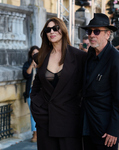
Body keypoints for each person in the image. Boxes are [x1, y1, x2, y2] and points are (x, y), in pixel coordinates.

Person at [30, 17, 87, 150]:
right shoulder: (41, 57)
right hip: (46, 121)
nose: (52, 32)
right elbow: (37, 86)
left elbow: (85, 87)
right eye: (48, 30)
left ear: (63, 30)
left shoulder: (79, 56)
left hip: (69, 120)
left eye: (55, 28)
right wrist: (37, 109)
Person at [80, 13, 119, 150]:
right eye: (89, 31)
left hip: (106, 130)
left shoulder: (116, 59)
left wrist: (114, 129)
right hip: (86, 125)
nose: (92, 35)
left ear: (108, 34)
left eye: (97, 31)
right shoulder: (89, 54)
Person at [22, 46, 39, 142]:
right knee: (33, 113)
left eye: (37, 53)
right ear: (31, 54)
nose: (35, 54)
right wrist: (32, 65)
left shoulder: (43, 63)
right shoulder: (27, 64)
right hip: (30, 91)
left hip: (41, 92)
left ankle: (40, 132)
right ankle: (35, 134)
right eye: (34, 53)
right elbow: (26, 75)